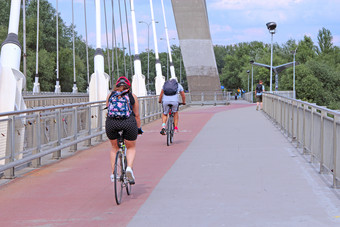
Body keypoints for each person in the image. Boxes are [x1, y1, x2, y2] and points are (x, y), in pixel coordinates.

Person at [105, 76, 142, 184]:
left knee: (114, 147)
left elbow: (108, 111)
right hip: (128, 123)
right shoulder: (132, 96)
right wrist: (138, 129)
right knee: (131, 147)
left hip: (112, 123)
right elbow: (137, 115)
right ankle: (129, 168)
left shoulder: (110, 95)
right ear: (129, 86)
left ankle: (113, 173)